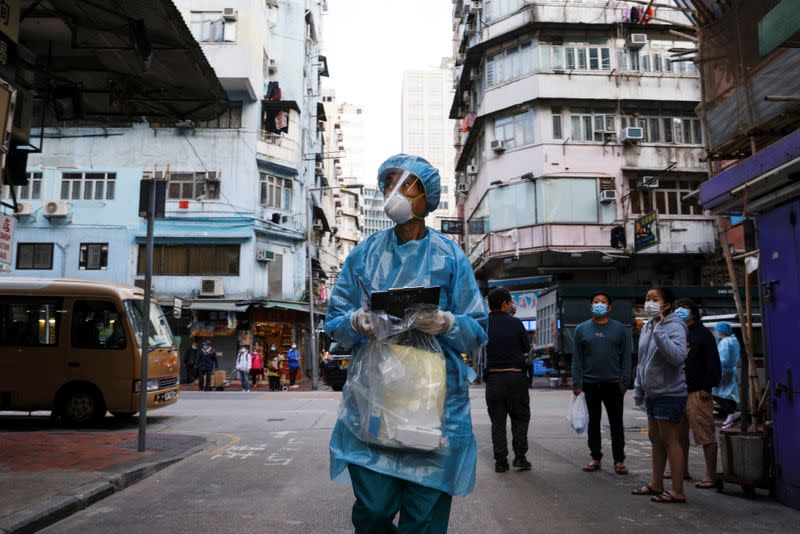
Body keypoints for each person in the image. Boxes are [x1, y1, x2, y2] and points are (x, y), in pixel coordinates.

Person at [324, 154, 488, 533]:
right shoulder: (364, 253)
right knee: (375, 506)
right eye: (388, 183)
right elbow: (336, 318)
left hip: (434, 397)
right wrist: (357, 320)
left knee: (424, 510)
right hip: (375, 391)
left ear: (427, 195)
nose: (392, 192)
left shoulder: (450, 255)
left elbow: (476, 328)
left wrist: (445, 321)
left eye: (405, 183)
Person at [632, 287, 689, 504]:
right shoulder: (648, 325)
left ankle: (677, 490)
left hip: (670, 392)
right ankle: (656, 483)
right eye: (647, 298)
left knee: (670, 440)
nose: (649, 302)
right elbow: (643, 360)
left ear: (666, 304)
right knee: (655, 439)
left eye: (655, 299)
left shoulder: (674, 326)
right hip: (652, 393)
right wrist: (639, 387)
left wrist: (660, 332)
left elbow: (676, 357)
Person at [572, 292, 632, 475]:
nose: (599, 304)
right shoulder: (581, 329)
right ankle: (595, 457)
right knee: (593, 423)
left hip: (614, 384)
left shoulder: (620, 329)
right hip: (590, 384)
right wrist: (576, 382)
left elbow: (627, 358)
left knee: (616, 423)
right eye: (596, 302)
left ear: (609, 307)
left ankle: (619, 460)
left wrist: (624, 384)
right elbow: (577, 359)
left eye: (603, 302)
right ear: (591, 306)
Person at [673, 298, 721, 489]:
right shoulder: (676, 332)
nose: (679, 311)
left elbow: (713, 362)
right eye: (677, 308)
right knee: (678, 436)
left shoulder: (703, 334)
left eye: (684, 308)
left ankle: (711, 475)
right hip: (676, 391)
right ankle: (681, 470)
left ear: (693, 312)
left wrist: (707, 387)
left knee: (705, 434)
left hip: (697, 392)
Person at [485, 287, 532, 473]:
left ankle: (500, 462)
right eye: (510, 302)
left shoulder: (484, 324)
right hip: (515, 378)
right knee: (520, 418)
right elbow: (525, 349)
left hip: (494, 379)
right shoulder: (515, 323)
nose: (512, 305)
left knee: (497, 422)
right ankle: (520, 458)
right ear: (505, 304)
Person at [712, 322, 741, 425]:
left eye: (717, 330)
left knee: (715, 392)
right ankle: (732, 417)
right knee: (728, 394)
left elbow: (723, 359)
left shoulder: (725, 342)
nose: (716, 332)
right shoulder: (733, 340)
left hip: (723, 370)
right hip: (730, 370)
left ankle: (732, 413)